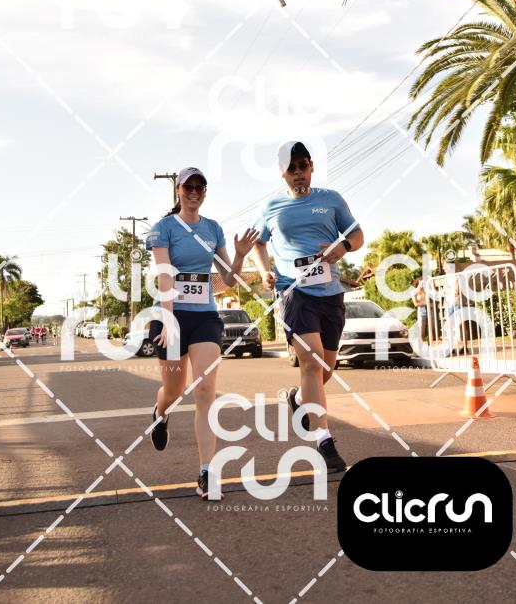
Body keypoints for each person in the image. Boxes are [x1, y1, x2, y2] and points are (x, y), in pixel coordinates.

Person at [146, 166, 258, 499]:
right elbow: (165, 275)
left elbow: (227, 280)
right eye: (188, 187)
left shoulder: (213, 229)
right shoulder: (164, 228)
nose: (194, 192)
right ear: (178, 191)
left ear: (205, 191)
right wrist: (169, 318)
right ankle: (160, 413)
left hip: (205, 317)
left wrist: (239, 256)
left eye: (200, 187)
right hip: (171, 315)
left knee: (206, 390)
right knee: (174, 390)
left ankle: (207, 471)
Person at [251, 141, 364, 472]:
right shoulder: (271, 206)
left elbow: (358, 235)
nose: (298, 173)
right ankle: (324, 441)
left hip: (330, 293)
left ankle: (299, 399)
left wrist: (344, 246)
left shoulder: (331, 200)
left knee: (327, 367)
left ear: (311, 166)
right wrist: (264, 271)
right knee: (312, 363)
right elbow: (258, 242)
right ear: (282, 173)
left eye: (302, 165)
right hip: (293, 292)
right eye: (291, 168)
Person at [411, 274, 428, 342]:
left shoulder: (426, 290)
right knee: (421, 329)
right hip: (422, 310)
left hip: (430, 310)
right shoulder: (414, 292)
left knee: (430, 329)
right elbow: (415, 304)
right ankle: (419, 343)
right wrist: (426, 304)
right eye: (422, 282)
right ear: (419, 282)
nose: (424, 284)